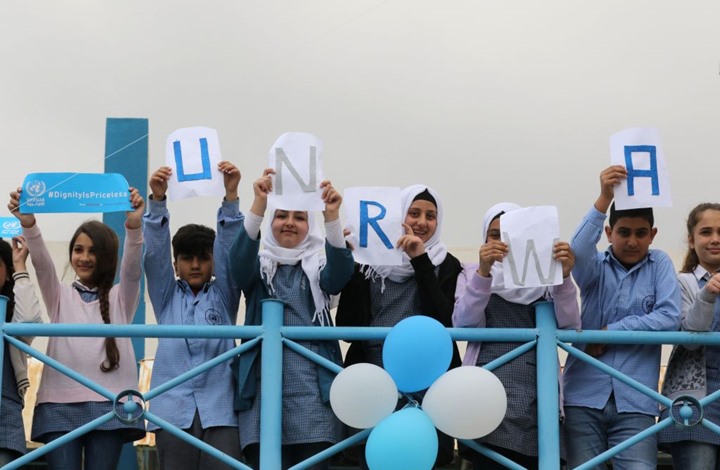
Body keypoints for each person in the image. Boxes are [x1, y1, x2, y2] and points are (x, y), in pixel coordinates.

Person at [8, 185, 146, 470]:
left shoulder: (121, 296)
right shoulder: (59, 295)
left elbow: (133, 270)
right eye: (78, 249)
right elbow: (43, 265)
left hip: (111, 403)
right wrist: (29, 224)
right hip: (58, 403)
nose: (84, 257)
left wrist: (134, 228)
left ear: (107, 255)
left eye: (93, 251)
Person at [229, 169, 353, 470]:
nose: (289, 223)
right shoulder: (260, 269)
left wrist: (332, 217)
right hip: (262, 395)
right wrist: (259, 203)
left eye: (300, 217)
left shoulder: (318, 268)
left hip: (313, 396)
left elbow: (339, 276)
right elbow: (238, 263)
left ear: (310, 226)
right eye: (281, 215)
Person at [561, 165, 681, 470]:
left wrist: (610, 331)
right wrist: (604, 197)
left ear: (653, 235)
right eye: (624, 232)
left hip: (637, 402)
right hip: (583, 396)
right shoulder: (594, 268)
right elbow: (578, 249)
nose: (632, 241)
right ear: (608, 233)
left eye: (641, 233)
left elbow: (670, 316)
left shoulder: (660, 263)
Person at [336, 184, 462, 468]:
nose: (422, 222)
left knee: (426, 456)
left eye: (431, 216)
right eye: (413, 213)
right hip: (374, 380)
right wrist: (353, 261)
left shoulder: (446, 264)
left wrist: (421, 261)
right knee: (373, 456)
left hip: (429, 381)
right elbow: (347, 324)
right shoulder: (368, 263)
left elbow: (444, 320)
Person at [452, 202, 581, 469]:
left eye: (509, 236)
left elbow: (570, 327)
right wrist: (484, 273)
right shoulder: (470, 272)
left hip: (537, 391)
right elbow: (463, 323)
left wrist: (564, 277)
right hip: (487, 388)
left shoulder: (547, 278)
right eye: (494, 235)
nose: (502, 243)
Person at [143, 162, 244, 469]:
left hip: (221, 411)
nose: (196, 265)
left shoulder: (225, 295)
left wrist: (231, 197)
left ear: (213, 263)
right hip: (172, 412)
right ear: (175, 265)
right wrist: (157, 201)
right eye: (187, 258)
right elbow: (154, 256)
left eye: (203, 258)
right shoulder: (166, 296)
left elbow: (230, 252)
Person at [658, 202, 720, 468]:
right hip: (694, 401)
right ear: (691, 240)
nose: (715, 239)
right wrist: (706, 295)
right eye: (706, 232)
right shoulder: (681, 282)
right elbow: (691, 339)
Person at [0, 236, 43, 466]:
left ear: (7, 273)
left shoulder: (11, 318)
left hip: (5, 415)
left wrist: (19, 266)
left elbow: (29, 319)